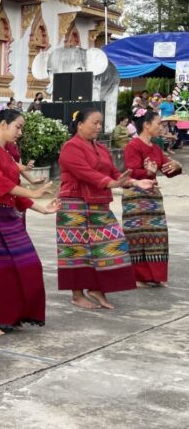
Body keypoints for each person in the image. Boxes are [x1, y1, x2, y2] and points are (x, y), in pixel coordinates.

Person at [0, 109, 60, 336]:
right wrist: (35, 193)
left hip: (8, 216)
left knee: (28, 265)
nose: (20, 132)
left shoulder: (6, 154)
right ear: (3, 125)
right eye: (17, 126)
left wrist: (43, 209)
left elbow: (14, 194)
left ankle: (14, 315)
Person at [57, 108, 154, 310]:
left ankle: (96, 288)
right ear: (80, 124)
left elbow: (115, 173)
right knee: (76, 250)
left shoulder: (101, 148)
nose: (99, 127)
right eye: (95, 123)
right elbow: (87, 174)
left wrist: (135, 182)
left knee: (109, 246)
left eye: (101, 123)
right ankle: (77, 294)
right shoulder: (70, 147)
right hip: (74, 204)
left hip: (99, 203)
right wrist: (114, 184)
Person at [123, 109, 182, 287]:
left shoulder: (156, 147)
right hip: (135, 197)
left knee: (157, 235)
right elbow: (130, 171)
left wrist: (177, 166)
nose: (161, 127)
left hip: (153, 199)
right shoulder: (132, 146)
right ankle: (138, 276)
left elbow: (166, 170)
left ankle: (154, 276)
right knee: (138, 237)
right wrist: (147, 172)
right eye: (159, 124)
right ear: (147, 125)